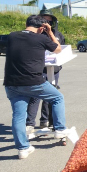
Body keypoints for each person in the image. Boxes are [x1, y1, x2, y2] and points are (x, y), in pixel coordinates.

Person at [4, 15, 70, 159]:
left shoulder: (12, 36)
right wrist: (50, 32)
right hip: (33, 82)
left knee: (18, 116)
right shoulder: (41, 38)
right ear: (42, 28)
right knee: (58, 97)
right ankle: (59, 129)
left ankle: (23, 148)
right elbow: (58, 49)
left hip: (11, 84)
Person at [26, 7, 66, 136]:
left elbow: (62, 49)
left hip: (54, 69)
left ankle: (46, 121)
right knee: (35, 96)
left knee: (51, 96)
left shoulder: (57, 35)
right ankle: (29, 124)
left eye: (49, 21)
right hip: (38, 69)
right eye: (44, 20)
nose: (47, 24)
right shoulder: (36, 34)